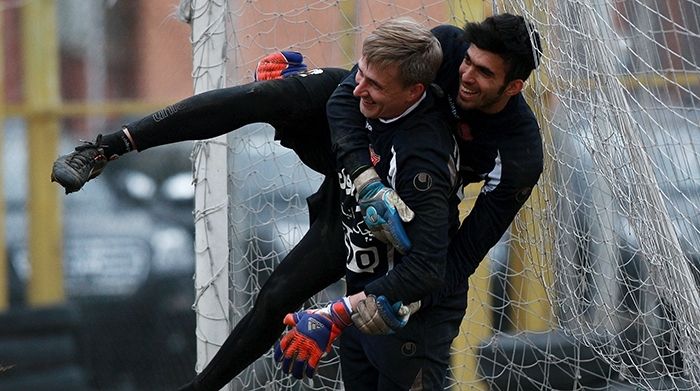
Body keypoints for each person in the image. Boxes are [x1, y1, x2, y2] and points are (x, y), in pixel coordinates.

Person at [50, 12, 542, 391]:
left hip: (402, 226)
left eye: (483, 73)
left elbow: (457, 255)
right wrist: (362, 175)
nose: (466, 76)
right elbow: (347, 96)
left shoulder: (511, 155)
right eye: (468, 63)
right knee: (277, 92)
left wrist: (392, 297)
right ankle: (107, 146)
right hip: (360, 175)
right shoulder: (439, 50)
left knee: (284, 296)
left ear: (513, 86)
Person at [272, 18, 464, 390]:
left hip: (406, 316)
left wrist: (335, 313)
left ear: (414, 92)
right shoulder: (371, 110)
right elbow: (332, 135)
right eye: (360, 74)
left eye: (374, 84)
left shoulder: (421, 158)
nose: (358, 90)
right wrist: (288, 98)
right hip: (362, 300)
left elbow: (427, 268)